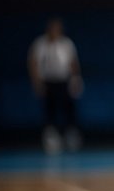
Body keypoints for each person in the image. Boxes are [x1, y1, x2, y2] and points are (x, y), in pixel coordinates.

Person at [28, 17, 83, 154]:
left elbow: (73, 62)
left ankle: (70, 134)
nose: (55, 31)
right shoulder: (40, 44)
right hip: (48, 80)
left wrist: (76, 79)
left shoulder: (66, 43)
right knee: (49, 107)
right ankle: (50, 135)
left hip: (63, 80)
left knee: (68, 107)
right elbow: (33, 63)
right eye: (53, 28)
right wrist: (37, 82)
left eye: (58, 29)